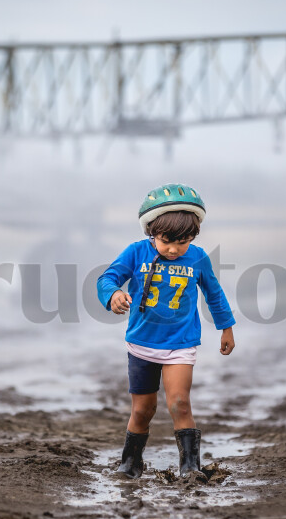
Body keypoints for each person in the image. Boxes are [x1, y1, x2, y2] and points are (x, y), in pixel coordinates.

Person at [97, 184, 236, 479]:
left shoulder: (197, 258)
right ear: (151, 231)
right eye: (166, 241)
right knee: (143, 410)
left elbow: (214, 293)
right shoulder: (136, 253)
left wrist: (226, 327)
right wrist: (112, 295)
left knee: (179, 403)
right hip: (142, 344)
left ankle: (190, 467)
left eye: (183, 242)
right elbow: (108, 278)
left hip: (180, 345)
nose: (174, 249)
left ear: (193, 237)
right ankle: (130, 463)